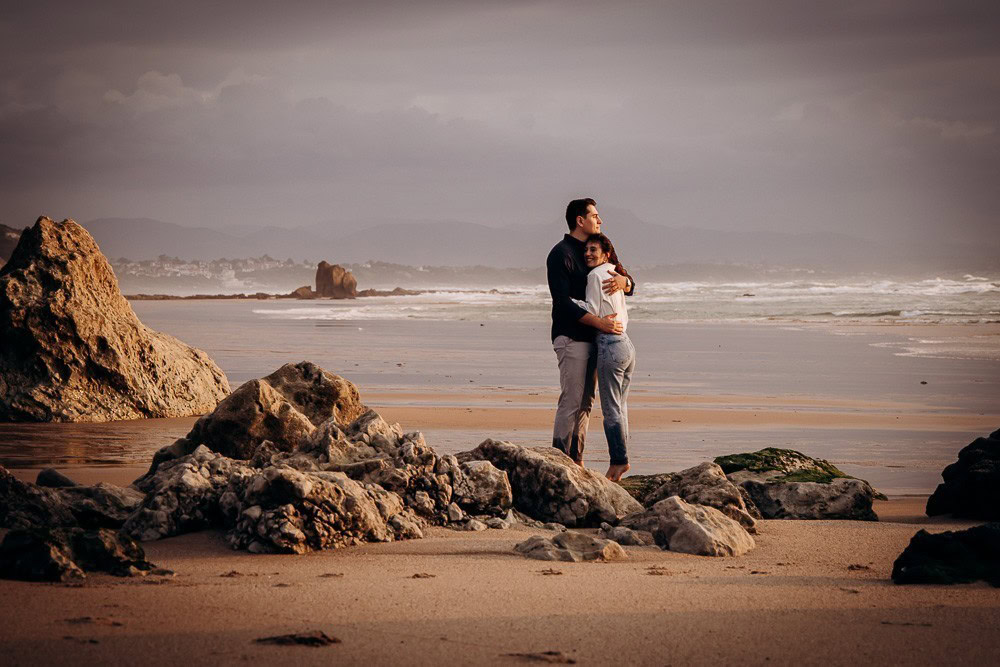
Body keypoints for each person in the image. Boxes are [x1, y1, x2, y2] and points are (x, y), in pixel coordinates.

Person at [546, 198, 634, 470]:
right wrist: (600, 323)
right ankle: (558, 463)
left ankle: (577, 461)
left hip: (595, 339)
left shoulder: (596, 249)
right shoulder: (560, 254)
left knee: (586, 402)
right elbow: (562, 302)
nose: (600, 220)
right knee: (571, 401)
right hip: (571, 336)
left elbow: (627, 280)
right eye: (595, 216)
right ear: (580, 220)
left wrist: (625, 282)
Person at [573, 233, 635, 481]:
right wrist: (626, 281)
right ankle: (622, 459)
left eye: (593, 250)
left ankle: (619, 461)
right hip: (626, 345)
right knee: (621, 407)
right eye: (586, 250)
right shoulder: (613, 272)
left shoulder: (595, 275)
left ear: (606, 254)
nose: (588, 254)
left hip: (609, 344)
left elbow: (592, 310)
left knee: (611, 409)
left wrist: (569, 302)